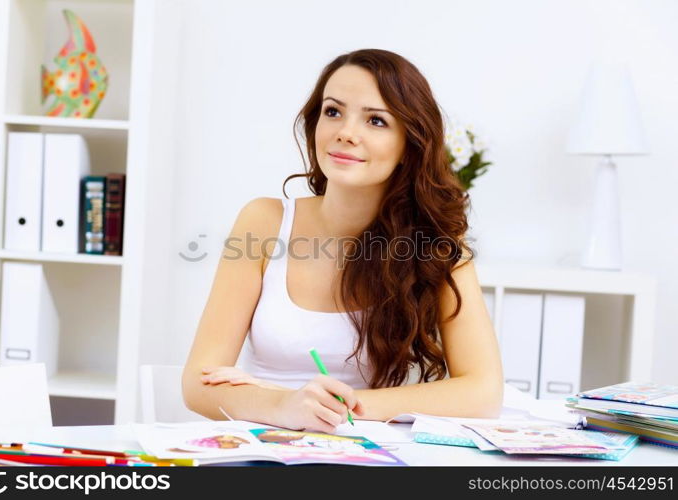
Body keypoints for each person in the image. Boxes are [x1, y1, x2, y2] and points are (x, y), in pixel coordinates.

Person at [182, 48, 503, 434]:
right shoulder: (264, 222)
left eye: (376, 120)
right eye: (333, 111)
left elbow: (483, 392)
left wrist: (334, 406)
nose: (346, 133)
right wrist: (285, 405)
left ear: (410, 145)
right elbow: (198, 385)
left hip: (376, 456)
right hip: (267, 449)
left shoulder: (438, 246)